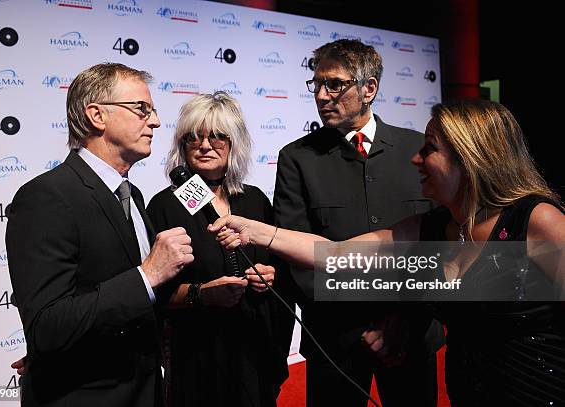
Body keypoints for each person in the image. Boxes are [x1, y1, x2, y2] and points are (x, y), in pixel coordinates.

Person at [211, 98, 565, 405]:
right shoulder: (431, 228)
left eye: (429, 149)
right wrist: (255, 230)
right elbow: (333, 254)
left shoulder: (537, 220)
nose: (415, 158)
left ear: (469, 157)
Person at [5, 63, 193, 407]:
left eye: (152, 111)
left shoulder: (132, 195)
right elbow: (47, 327)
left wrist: (203, 294)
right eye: (142, 109)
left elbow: (141, 303)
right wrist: (147, 274)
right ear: (96, 115)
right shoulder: (46, 197)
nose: (154, 121)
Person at [273, 38, 439, 405]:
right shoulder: (296, 159)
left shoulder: (420, 150)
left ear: (369, 88)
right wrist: (360, 325)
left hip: (411, 334)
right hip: (335, 341)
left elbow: (441, 244)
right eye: (315, 84)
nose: (320, 95)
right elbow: (296, 256)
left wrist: (403, 317)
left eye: (334, 84)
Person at [146, 92, 293, 407]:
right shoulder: (165, 206)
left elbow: (279, 271)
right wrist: (202, 293)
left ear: (235, 142)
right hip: (197, 356)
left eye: (217, 136)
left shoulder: (254, 200)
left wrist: (268, 276)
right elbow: (154, 291)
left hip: (253, 351)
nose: (204, 145)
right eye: (193, 137)